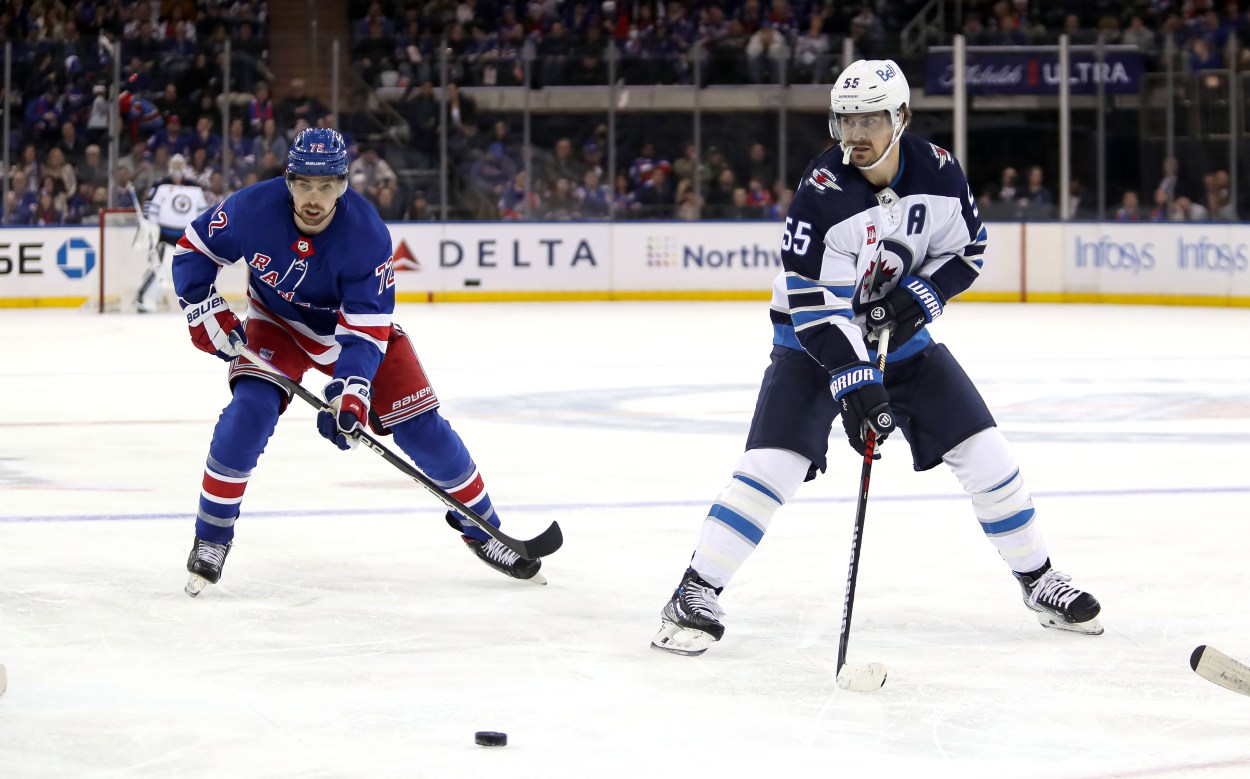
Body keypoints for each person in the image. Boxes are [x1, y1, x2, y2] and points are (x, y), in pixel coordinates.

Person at [651, 60, 1103, 657]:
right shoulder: (824, 190)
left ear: (902, 118)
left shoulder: (940, 173)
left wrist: (922, 296)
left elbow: (968, 250)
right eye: (845, 118)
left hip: (902, 341)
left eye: (870, 118)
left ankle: (1039, 579)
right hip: (811, 342)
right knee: (775, 462)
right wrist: (858, 384)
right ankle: (693, 590)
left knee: (985, 450)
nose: (855, 133)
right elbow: (813, 307)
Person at [171, 128, 541, 597]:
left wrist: (352, 393)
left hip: (348, 335)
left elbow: (365, 333)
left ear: (344, 184)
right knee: (249, 412)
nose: (314, 197)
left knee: (422, 427)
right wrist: (203, 309)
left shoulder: (367, 235)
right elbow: (193, 250)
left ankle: (485, 529)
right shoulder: (251, 209)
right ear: (288, 180)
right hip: (276, 324)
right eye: (304, 182)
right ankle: (212, 535)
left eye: (326, 185)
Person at [135, 154, 211, 312]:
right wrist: (151, 226)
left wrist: (203, 231)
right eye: (174, 164)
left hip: (187, 235)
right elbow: (151, 205)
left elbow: (202, 211)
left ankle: (204, 299)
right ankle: (143, 297)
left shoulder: (194, 187)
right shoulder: (160, 184)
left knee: (198, 265)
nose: (177, 167)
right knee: (158, 266)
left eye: (180, 164)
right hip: (164, 233)